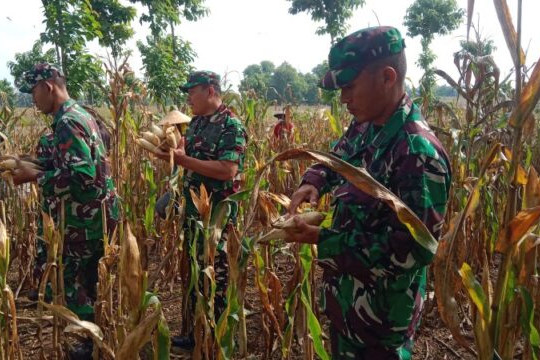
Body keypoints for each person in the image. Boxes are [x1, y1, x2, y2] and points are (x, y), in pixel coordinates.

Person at [284, 26, 451, 359]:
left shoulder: (417, 154)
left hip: (380, 324)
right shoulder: (365, 124)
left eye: (349, 87)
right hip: (346, 306)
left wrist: (321, 237)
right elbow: (340, 156)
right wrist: (313, 180)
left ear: (387, 78)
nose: (343, 98)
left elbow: (411, 252)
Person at [10, 63, 119, 357]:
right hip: (95, 217)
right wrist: (39, 165)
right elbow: (80, 166)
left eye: (33, 91)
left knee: (75, 286)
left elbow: (84, 176)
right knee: (91, 283)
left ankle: (92, 344)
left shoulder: (67, 123)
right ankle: (100, 342)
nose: (32, 99)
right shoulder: (80, 115)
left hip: (84, 222)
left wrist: (35, 177)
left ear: (48, 86)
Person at [155, 71, 247, 350]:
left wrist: (185, 161)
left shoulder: (231, 125)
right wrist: (170, 155)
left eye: (191, 91)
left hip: (218, 219)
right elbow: (186, 159)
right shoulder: (195, 124)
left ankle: (217, 341)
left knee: (214, 277)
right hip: (194, 215)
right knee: (195, 275)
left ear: (209, 91)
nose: (188, 97)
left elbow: (227, 171)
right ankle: (196, 335)